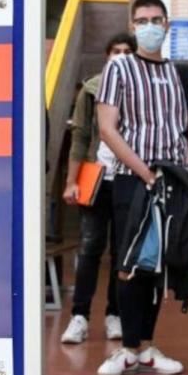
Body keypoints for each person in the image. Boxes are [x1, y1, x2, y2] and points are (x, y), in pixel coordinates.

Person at [94, 0, 188, 375]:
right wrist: (145, 173)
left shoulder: (183, 75)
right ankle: (127, 348)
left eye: (157, 19)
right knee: (128, 265)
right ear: (133, 24)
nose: (151, 26)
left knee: (160, 266)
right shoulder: (119, 69)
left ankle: (149, 347)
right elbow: (107, 128)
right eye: (143, 20)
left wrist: (184, 170)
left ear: (168, 24)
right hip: (132, 180)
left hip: (171, 182)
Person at [59, 33, 136, 345]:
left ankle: (113, 314)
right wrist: (70, 182)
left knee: (122, 251)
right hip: (96, 177)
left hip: (129, 179)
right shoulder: (91, 90)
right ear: (107, 56)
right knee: (90, 247)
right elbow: (79, 137)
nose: (120, 56)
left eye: (126, 52)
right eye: (115, 51)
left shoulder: (141, 90)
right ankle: (80, 315)